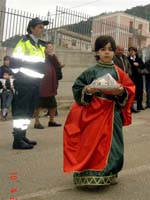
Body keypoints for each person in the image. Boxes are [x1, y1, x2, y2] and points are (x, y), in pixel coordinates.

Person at [63, 35, 135, 188]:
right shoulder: (90, 72)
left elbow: (129, 90)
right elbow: (77, 88)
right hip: (93, 114)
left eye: (110, 49)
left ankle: (110, 173)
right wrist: (88, 90)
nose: (107, 52)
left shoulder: (119, 72)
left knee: (113, 146)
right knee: (92, 145)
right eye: (103, 49)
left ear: (114, 52)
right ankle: (89, 175)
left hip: (113, 114)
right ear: (96, 52)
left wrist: (121, 92)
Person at [10, 17, 49, 149]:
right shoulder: (24, 42)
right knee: (21, 110)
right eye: (39, 27)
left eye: (43, 27)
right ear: (31, 28)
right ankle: (17, 140)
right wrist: (20, 77)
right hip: (25, 82)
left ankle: (22, 135)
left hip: (35, 83)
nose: (42, 30)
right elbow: (14, 63)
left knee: (28, 110)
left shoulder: (39, 45)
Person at [34, 41, 63, 128]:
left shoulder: (52, 57)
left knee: (53, 105)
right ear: (44, 49)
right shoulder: (40, 57)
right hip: (41, 84)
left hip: (51, 84)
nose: (51, 49)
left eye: (51, 47)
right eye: (49, 47)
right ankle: (36, 122)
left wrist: (53, 56)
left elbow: (58, 66)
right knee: (38, 105)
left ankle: (51, 121)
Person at [128, 47, 145, 111]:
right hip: (132, 78)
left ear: (135, 52)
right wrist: (133, 64)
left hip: (139, 77)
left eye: (133, 51)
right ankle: (131, 107)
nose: (131, 52)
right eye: (130, 51)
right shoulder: (128, 59)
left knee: (140, 91)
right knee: (132, 92)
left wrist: (138, 64)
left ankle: (139, 106)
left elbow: (143, 65)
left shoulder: (138, 59)